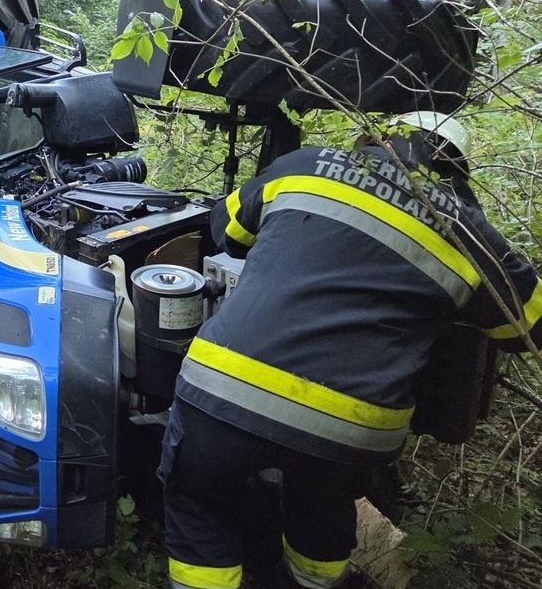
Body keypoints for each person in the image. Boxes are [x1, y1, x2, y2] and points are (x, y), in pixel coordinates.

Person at [159, 111, 542, 589]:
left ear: (376, 137)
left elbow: (227, 230)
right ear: (456, 172)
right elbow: (526, 328)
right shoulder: (468, 232)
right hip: (350, 424)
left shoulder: (303, 165)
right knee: (321, 512)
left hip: (225, 389)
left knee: (202, 506)